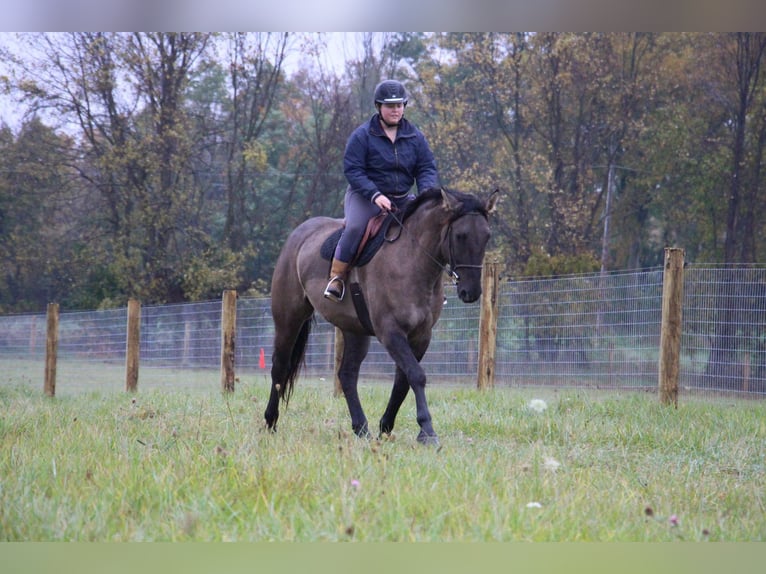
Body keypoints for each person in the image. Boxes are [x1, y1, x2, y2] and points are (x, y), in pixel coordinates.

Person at [324, 79, 440, 302]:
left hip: (403, 198)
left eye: (399, 105)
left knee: (428, 225)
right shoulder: (362, 136)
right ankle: (337, 277)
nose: (395, 110)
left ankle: (431, 285)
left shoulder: (416, 137)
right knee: (356, 227)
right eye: (390, 106)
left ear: (404, 106)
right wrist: (375, 194)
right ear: (379, 107)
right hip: (365, 196)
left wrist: (426, 192)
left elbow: (426, 167)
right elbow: (353, 170)